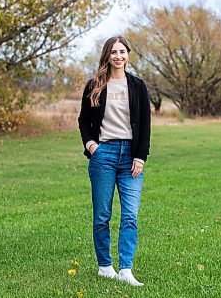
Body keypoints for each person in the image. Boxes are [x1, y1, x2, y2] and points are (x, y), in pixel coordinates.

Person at [78, 36, 151, 287]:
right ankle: (105, 266)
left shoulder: (138, 86)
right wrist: (91, 146)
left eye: (122, 51)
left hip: (131, 156)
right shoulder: (94, 85)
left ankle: (126, 270)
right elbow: (83, 120)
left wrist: (140, 156)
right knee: (102, 215)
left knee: (130, 215)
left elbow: (145, 124)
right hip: (103, 156)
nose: (118, 56)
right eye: (113, 52)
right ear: (107, 56)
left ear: (128, 54)